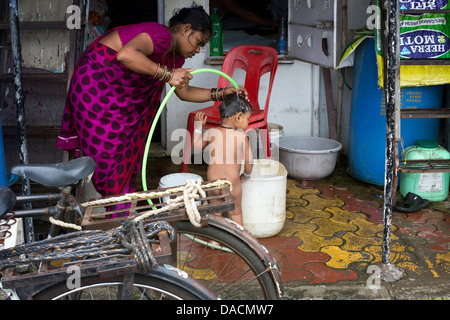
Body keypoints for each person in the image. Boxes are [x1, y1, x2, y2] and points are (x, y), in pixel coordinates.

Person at [56, 5, 247, 198]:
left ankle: (123, 203)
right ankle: (119, 205)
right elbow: (126, 55)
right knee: (109, 156)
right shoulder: (160, 35)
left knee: (125, 157)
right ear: (186, 29)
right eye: (198, 42)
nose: (197, 50)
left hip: (117, 97)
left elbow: (184, 92)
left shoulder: (174, 57)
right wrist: (167, 74)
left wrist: (222, 93)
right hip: (97, 88)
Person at [193, 94, 253, 226]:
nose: (248, 122)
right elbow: (249, 161)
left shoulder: (211, 132)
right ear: (238, 117)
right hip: (233, 183)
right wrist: (246, 175)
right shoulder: (241, 137)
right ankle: (240, 241)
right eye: (247, 118)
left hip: (213, 184)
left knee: (215, 213)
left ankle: (214, 242)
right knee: (235, 213)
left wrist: (198, 127)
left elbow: (196, 147)